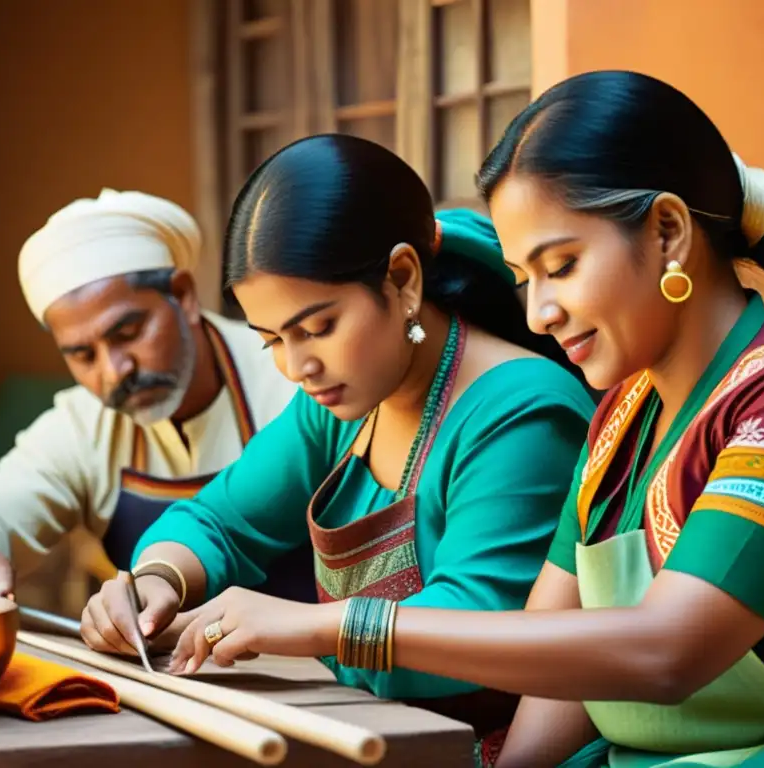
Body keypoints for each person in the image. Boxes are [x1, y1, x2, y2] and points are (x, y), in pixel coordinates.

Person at [121, 72, 764, 768]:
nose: (538, 313)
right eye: (523, 278)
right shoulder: (622, 412)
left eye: (561, 267)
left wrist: (330, 626)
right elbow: (568, 667)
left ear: (668, 233)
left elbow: (667, 651)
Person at [80, 134, 597, 764]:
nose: (298, 366)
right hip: (377, 733)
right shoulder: (346, 401)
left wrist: (303, 627)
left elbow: (481, 623)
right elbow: (219, 518)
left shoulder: (522, 408)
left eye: (318, 327)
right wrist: (158, 580)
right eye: (272, 339)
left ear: (403, 279)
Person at [0, 189, 305, 601]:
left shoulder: (293, 380)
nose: (115, 371)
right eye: (83, 355)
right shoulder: (84, 425)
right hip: (156, 665)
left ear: (184, 295)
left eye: (128, 334)